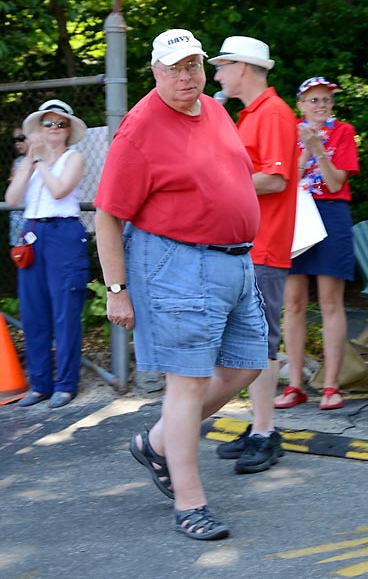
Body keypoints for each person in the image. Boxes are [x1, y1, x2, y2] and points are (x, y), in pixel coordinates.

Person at [94, 29, 268, 541]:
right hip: (175, 262)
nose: (186, 75)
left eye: (193, 64)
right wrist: (116, 288)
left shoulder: (214, 109)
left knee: (247, 363)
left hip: (234, 261)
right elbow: (107, 215)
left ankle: (157, 442)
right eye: (174, 68)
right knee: (187, 382)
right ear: (154, 71)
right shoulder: (139, 128)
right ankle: (190, 503)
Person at [208, 36, 297, 474]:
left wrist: (219, 182)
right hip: (250, 245)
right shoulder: (254, 114)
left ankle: (265, 431)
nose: (218, 74)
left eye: (223, 66)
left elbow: (275, 180)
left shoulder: (274, 114)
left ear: (244, 67)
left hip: (264, 244)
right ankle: (260, 426)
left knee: (261, 342)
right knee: (249, 342)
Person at [274, 77, 360, 411]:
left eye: (326, 100)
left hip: (331, 213)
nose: (321, 106)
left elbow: (337, 181)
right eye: (314, 100)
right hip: (295, 214)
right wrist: (303, 150)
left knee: (330, 302)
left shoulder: (343, 131)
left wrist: (319, 149)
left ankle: (331, 386)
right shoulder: (287, 131)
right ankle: (295, 384)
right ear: (301, 104)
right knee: (293, 303)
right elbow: (283, 179)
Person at [6, 100, 89, 409]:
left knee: (65, 312)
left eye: (60, 124)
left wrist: (40, 161)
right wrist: (29, 163)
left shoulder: (73, 157)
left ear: (68, 131)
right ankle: (40, 384)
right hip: (32, 234)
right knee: (33, 313)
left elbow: (59, 191)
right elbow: (13, 199)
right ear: (38, 129)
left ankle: (66, 385)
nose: (54, 129)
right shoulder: (29, 161)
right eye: (48, 123)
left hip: (63, 234)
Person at [8, 127, 30, 245]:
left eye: (21, 138)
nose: (17, 143)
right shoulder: (17, 161)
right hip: (18, 214)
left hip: (32, 212)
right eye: (14, 140)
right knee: (20, 253)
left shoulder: (39, 160)